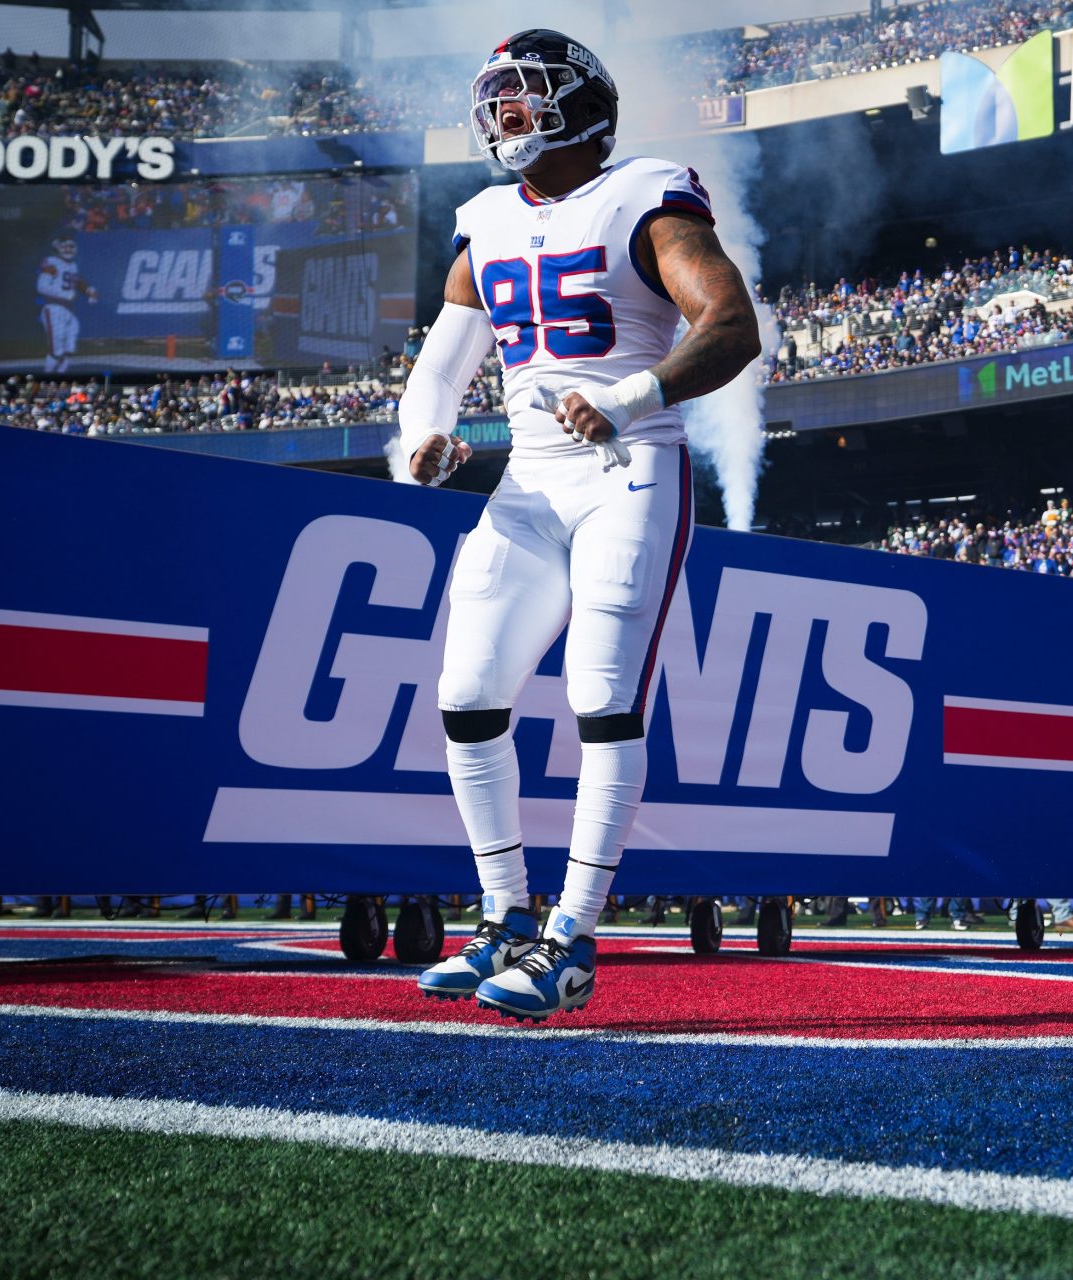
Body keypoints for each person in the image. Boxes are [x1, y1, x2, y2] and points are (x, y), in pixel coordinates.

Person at [405, 30, 760, 1023]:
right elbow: (441, 365)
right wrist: (420, 440)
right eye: (495, 92)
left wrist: (634, 394)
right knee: (468, 692)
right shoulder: (483, 218)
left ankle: (571, 935)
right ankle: (506, 916)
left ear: (581, 102)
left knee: (602, 696)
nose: (504, 107)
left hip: (627, 467)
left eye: (524, 89)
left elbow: (731, 325)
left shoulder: (644, 194)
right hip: (529, 477)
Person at [36, 235, 97, 374]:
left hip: (68, 310)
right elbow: (42, 286)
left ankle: (61, 376)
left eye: (71, 246)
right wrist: (65, 295)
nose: (68, 249)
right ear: (59, 248)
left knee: (70, 347)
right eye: (65, 246)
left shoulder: (72, 265)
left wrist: (88, 290)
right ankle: (46, 376)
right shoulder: (52, 262)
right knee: (56, 350)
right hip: (53, 308)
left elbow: (76, 282)